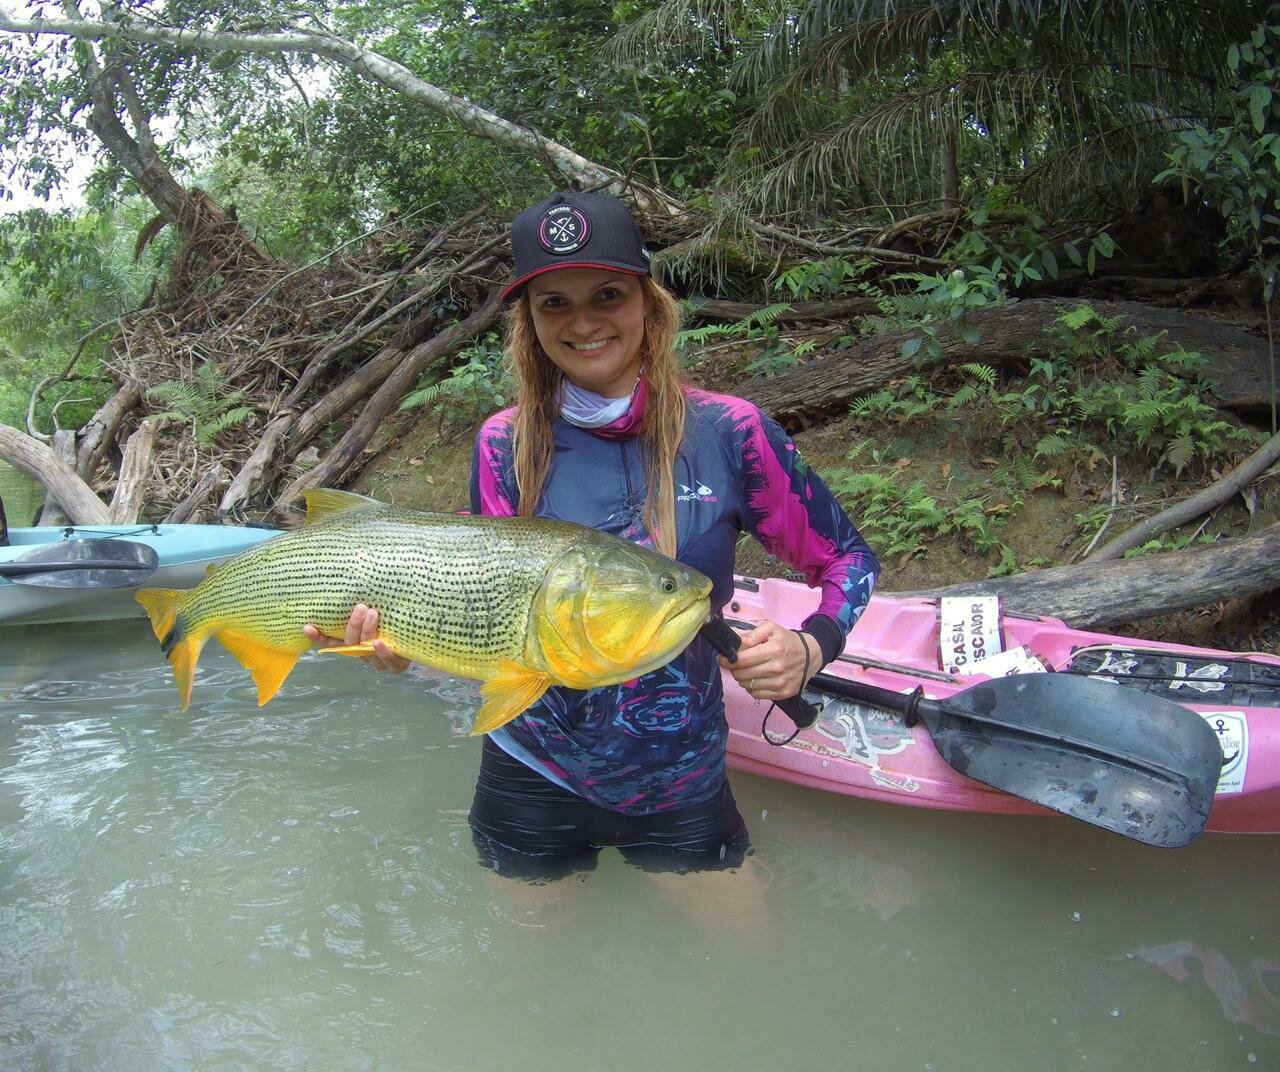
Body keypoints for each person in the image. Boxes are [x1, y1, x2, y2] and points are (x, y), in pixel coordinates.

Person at [308, 190, 879, 880]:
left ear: (648, 303)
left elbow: (847, 559)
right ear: (530, 322)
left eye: (607, 294)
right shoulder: (504, 443)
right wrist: (403, 647)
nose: (583, 322)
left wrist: (811, 647)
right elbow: (486, 613)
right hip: (530, 771)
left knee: (743, 941)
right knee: (526, 951)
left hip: (681, 779)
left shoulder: (731, 432)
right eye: (554, 303)